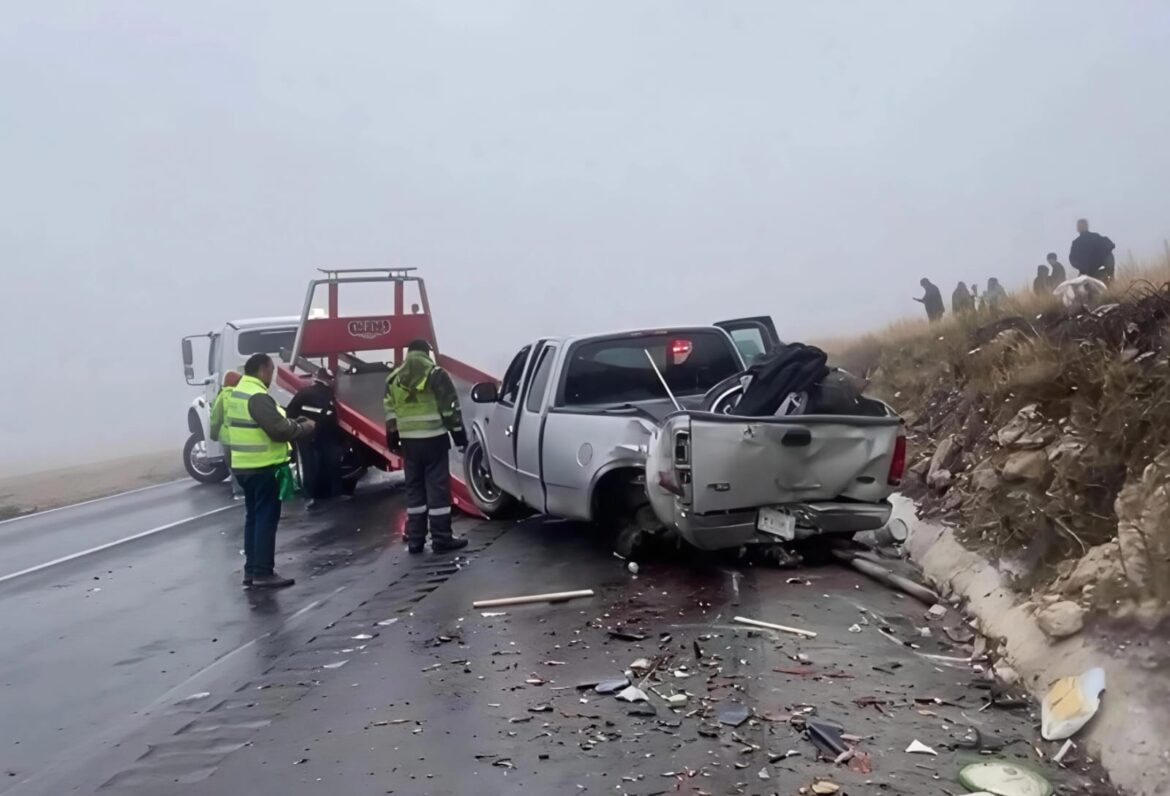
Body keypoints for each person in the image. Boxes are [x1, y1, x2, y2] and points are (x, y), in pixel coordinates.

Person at [226, 354, 315, 588]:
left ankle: (251, 570)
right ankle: (263, 573)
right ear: (263, 369)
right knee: (266, 519)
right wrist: (304, 427)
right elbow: (279, 430)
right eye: (271, 370)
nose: (272, 376)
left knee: (253, 519)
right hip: (263, 467)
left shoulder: (238, 392)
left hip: (244, 467)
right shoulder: (257, 396)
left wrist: (291, 421)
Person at [383, 339, 469, 554]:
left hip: (409, 443)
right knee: (437, 489)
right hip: (434, 438)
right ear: (425, 352)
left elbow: (390, 410)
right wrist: (459, 436)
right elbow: (449, 408)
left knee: (414, 490)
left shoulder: (393, 378)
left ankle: (415, 540)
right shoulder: (436, 375)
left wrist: (392, 437)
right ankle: (442, 539)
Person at [287, 368, 342, 509]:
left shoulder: (304, 392)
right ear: (329, 380)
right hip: (326, 435)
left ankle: (309, 496)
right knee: (330, 462)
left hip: (306, 435)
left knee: (308, 465)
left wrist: (299, 424)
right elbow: (334, 417)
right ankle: (333, 493)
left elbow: (290, 412)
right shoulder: (332, 395)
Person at [208, 371, 244, 498]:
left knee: (233, 467)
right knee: (245, 465)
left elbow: (215, 419)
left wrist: (213, 435)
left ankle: (239, 492)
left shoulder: (222, 397)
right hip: (244, 437)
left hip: (228, 440)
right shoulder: (243, 396)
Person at [1069, 218, 1116, 283]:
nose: (1080, 227)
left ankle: (1110, 280)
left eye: (1080, 226)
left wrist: (1084, 267)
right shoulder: (1095, 237)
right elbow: (1110, 245)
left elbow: (1072, 260)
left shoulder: (1077, 243)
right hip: (1092, 273)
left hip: (1090, 274)